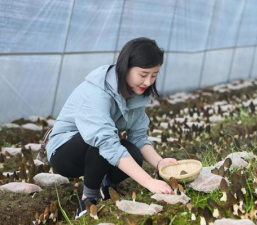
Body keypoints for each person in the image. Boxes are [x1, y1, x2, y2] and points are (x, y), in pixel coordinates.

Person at [45, 37, 178, 219]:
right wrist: (148, 181)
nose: (148, 82)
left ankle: (107, 185)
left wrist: (159, 163)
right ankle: (87, 199)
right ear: (126, 67)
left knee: (134, 153)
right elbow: (106, 142)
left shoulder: (135, 94)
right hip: (65, 152)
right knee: (102, 143)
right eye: (143, 74)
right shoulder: (97, 92)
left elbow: (138, 138)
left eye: (154, 75)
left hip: (96, 146)